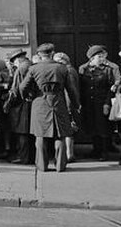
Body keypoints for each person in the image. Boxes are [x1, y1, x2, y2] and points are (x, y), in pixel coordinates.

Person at [20, 44, 78, 172]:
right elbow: (71, 89)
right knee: (60, 134)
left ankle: (42, 165)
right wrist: (76, 104)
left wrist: (27, 97)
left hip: (39, 103)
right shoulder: (62, 68)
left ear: (40, 55)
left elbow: (23, 87)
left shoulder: (34, 69)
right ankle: (60, 165)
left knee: (40, 136)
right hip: (58, 102)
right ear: (52, 53)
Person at [78, 45, 119, 160]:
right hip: (88, 103)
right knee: (91, 126)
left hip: (102, 102)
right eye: (99, 57)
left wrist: (107, 103)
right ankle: (95, 149)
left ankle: (104, 152)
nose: (102, 59)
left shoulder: (107, 69)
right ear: (91, 58)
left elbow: (111, 87)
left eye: (102, 56)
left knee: (103, 127)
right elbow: (80, 86)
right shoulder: (83, 69)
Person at [4, 50, 34, 165]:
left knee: (22, 132)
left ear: (17, 59)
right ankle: (30, 156)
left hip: (22, 105)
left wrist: (8, 103)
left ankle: (23, 157)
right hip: (31, 103)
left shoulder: (21, 69)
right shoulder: (31, 65)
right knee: (29, 132)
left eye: (13, 61)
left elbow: (16, 89)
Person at [53, 53, 80, 163]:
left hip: (67, 103)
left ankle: (69, 154)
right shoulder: (68, 70)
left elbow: (70, 90)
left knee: (68, 129)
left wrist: (69, 106)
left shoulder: (68, 71)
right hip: (67, 102)